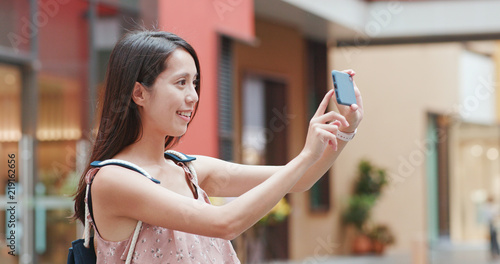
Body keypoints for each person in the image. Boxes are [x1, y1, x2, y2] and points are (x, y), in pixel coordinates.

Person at [73, 30, 363, 263]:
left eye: (195, 83)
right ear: (139, 93)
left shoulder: (190, 170)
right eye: (181, 83)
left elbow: (301, 180)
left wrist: (345, 131)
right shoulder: (113, 180)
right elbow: (226, 222)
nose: (193, 96)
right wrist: (305, 155)